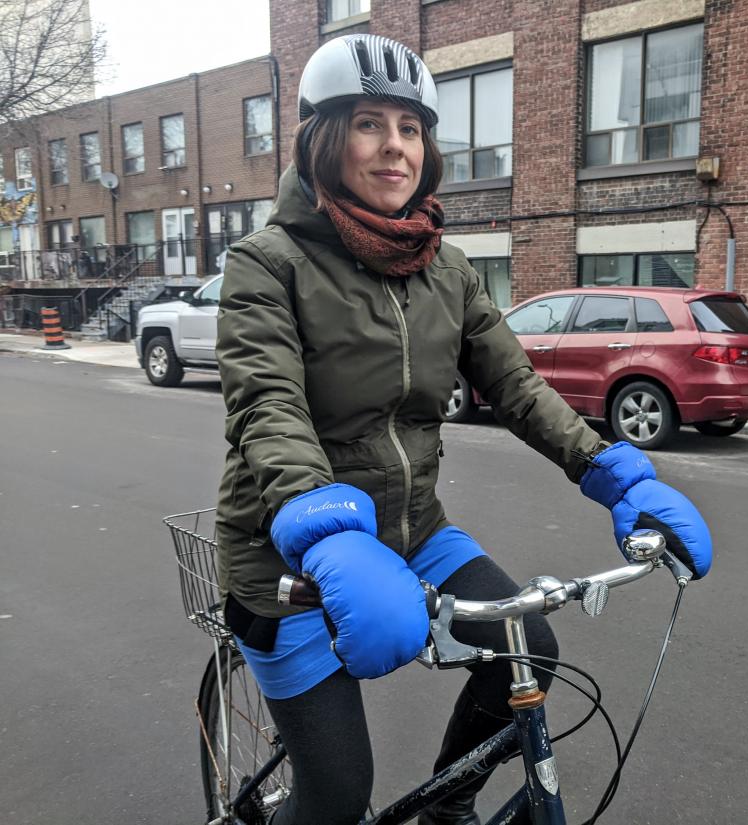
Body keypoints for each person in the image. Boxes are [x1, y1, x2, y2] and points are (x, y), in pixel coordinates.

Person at [214, 33, 713, 825]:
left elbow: (517, 387)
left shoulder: (445, 269)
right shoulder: (267, 262)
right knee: (337, 799)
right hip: (287, 555)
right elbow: (268, 404)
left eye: (410, 128)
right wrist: (325, 531)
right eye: (369, 123)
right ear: (323, 137)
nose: (395, 147)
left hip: (413, 531)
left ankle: (446, 808)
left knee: (530, 650)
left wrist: (615, 472)